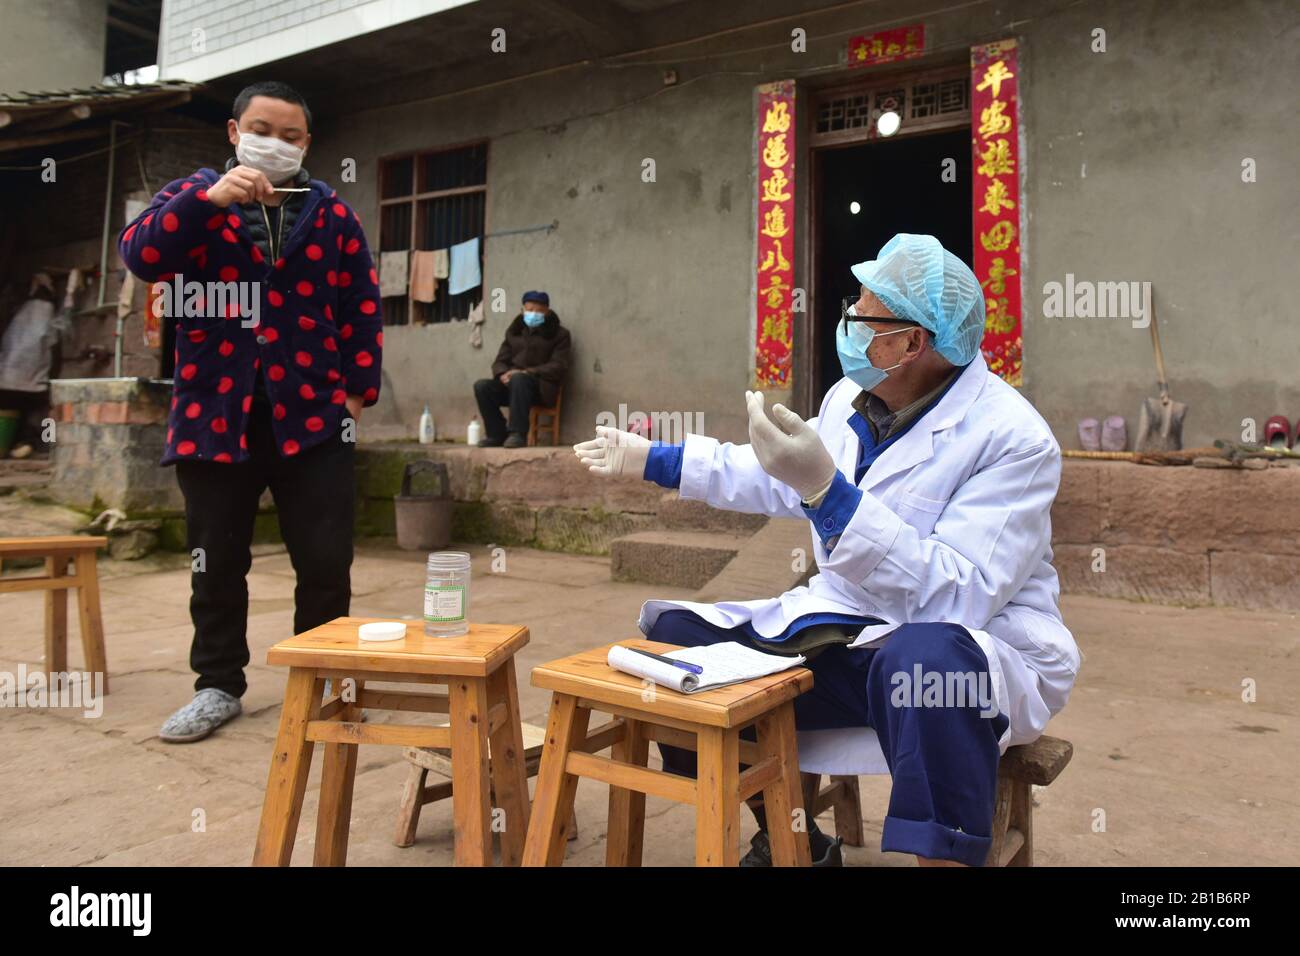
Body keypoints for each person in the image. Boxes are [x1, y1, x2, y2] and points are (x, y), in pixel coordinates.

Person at [575, 234, 1079, 867]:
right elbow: (782, 472)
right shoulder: (851, 399)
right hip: (847, 634)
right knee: (677, 646)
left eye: (864, 313)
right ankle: (791, 838)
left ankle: (945, 856)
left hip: (961, 648)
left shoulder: (1014, 439)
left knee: (928, 663)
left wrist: (830, 496)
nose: (849, 322)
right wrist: (655, 458)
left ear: (912, 342)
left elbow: (959, 596)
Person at [118, 81, 383, 743]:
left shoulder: (333, 216)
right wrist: (210, 202)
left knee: (324, 561)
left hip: (314, 419)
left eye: (291, 136)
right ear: (236, 132)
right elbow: (141, 256)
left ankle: (321, 681)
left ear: (307, 144)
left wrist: (353, 396)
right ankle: (217, 685)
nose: (277, 143)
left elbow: (361, 309)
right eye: (263, 129)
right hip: (214, 415)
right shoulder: (190, 199)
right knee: (217, 560)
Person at [473, 291, 570, 447]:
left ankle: (517, 434)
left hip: (541, 389)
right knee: (482, 386)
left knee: (519, 379)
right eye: (530, 310)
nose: (533, 314)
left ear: (547, 312)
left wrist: (527, 372)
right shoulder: (514, 332)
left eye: (539, 311)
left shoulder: (560, 334)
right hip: (512, 386)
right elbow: (500, 361)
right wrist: (502, 374)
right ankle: (496, 434)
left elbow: (558, 366)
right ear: (522, 310)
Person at [0, 270, 79, 458]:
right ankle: (44, 444)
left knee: (16, 414)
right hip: (33, 378)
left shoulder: (20, 313)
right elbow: (55, 341)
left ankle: (22, 442)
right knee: (46, 413)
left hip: (7, 378)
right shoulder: (44, 313)